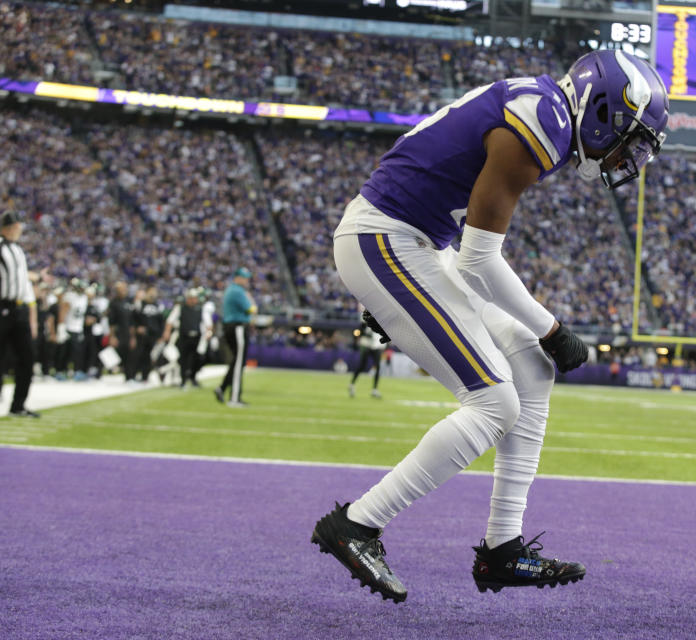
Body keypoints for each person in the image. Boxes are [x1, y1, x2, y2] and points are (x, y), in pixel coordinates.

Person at [313, 49, 669, 603]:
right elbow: (479, 259)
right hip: (385, 239)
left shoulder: (545, 107)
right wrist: (555, 329)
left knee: (529, 366)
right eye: (634, 139)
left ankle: (502, 548)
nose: (632, 156)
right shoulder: (542, 123)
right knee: (494, 402)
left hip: (417, 243)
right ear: (604, 110)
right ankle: (357, 524)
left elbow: (465, 247)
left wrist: (539, 337)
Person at [0, 210, 39, 417]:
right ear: (10, 228)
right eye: (17, 227)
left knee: (27, 357)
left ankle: (18, 405)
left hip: (19, 309)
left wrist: (31, 316)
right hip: (2, 308)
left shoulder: (18, 251)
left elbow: (23, 284)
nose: (20, 230)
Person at [214, 268, 256, 407]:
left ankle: (222, 387)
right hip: (237, 327)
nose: (246, 280)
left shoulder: (232, 289)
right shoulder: (237, 291)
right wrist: (250, 300)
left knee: (237, 362)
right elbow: (251, 309)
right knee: (239, 363)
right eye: (244, 278)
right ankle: (234, 398)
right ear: (237, 277)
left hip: (231, 326)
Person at [162, 287, 204, 388]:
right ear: (188, 298)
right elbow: (170, 321)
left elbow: (204, 323)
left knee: (196, 358)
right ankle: (183, 380)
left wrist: (208, 332)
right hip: (184, 336)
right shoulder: (180, 308)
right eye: (193, 298)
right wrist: (167, 332)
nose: (195, 300)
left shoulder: (199, 309)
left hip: (197, 336)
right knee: (183, 359)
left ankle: (193, 378)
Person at [348, 307, 385, 399]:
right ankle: (352, 384)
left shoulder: (381, 316)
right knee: (362, 365)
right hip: (367, 343)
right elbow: (361, 330)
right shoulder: (366, 315)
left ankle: (374, 389)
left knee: (378, 366)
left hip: (375, 344)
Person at [108, 281, 138, 382]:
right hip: (118, 332)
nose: (124, 291)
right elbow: (111, 322)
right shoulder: (113, 303)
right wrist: (112, 336)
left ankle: (129, 377)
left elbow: (132, 322)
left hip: (128, 333)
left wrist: (133, 337)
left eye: (125, 288)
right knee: (116, 354)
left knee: (130, 355)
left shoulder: (129, 302)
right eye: (121, 289)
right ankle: (103, 373)